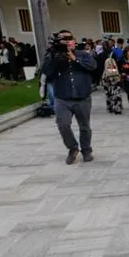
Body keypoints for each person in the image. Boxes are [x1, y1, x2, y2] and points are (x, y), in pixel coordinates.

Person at [41, 29, 98, 165]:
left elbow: (93, 66)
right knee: (63, 124)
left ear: (74, 42)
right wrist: (54, 56)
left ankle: (86, 150)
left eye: (69, 40)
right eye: (64, 41)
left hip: (82, 97)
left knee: (84, 126)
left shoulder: (83, 54)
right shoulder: (54, 56)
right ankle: (72, 148)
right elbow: (46, 72)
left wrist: (75, 59)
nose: (67, 43)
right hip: (62, 97)